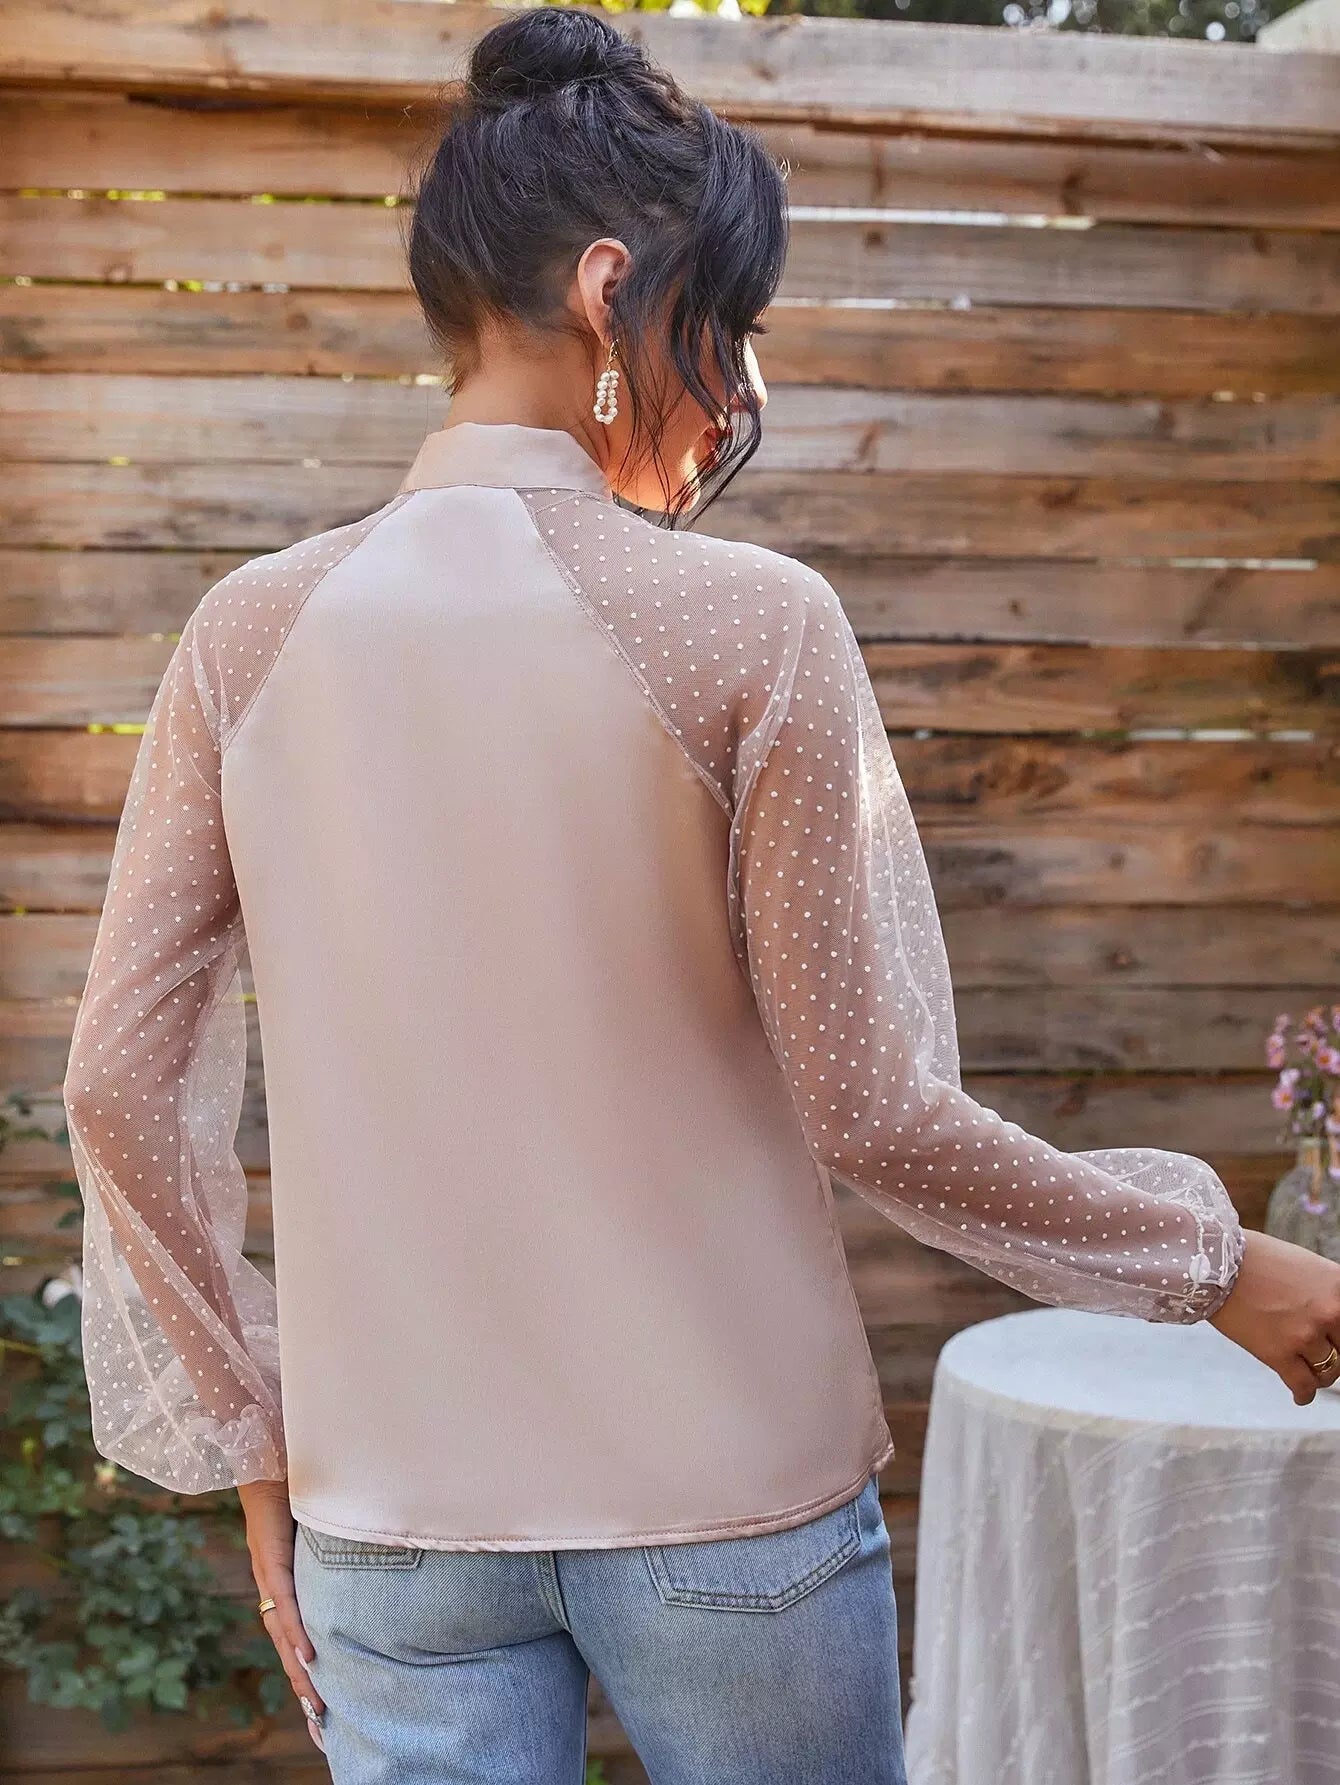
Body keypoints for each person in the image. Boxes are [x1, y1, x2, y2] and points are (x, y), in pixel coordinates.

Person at [60, 10, 1340, 1783]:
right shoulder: (751, 622)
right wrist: (1217, 1264)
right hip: (734, 1507)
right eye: (723, 324)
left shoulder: (244, 637)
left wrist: (254, 1439)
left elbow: (118, 1085)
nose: (734, 386)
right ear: (612, 293)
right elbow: (877, 1109)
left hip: (392, 1521)